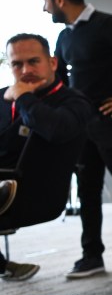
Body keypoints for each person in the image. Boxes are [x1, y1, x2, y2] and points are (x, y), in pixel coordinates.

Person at [40, 0, 112, 279]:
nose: (45, 8)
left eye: (45, 1)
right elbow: (61, 81)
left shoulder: (109, 25)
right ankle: (92, 256)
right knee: (88, 191)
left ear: (60, 0)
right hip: (81, 126)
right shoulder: (64, 38)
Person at [0, 34, 93, 280]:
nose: (25, 70)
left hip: (33, 196)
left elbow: (55, 130)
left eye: (33, 61)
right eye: (17, 64)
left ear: (52, 63)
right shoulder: (3, 98)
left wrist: (23, 97)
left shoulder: (74, 102)